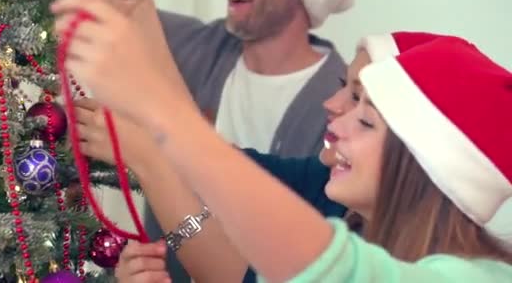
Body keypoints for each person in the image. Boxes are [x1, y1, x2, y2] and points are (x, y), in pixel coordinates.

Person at [51, 0, 512, 282]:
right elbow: (219, 171)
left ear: (420, 167)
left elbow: (284, 268)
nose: (333, 110)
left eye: (365, 116)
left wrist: (154, 149)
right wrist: (142, 19)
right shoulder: (340, 199)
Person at [77, 0, 379, 279]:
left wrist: (149, 157)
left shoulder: (335, 143)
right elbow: (211, 157)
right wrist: (138, 11)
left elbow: (246, 272)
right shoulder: (199, 47)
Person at [74, 32, 441, 282]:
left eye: (363, 112)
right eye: (344, 89)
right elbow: (207, 158)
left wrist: (149, 161)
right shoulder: (325, 186)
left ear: (412, 155)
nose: (331, 106)